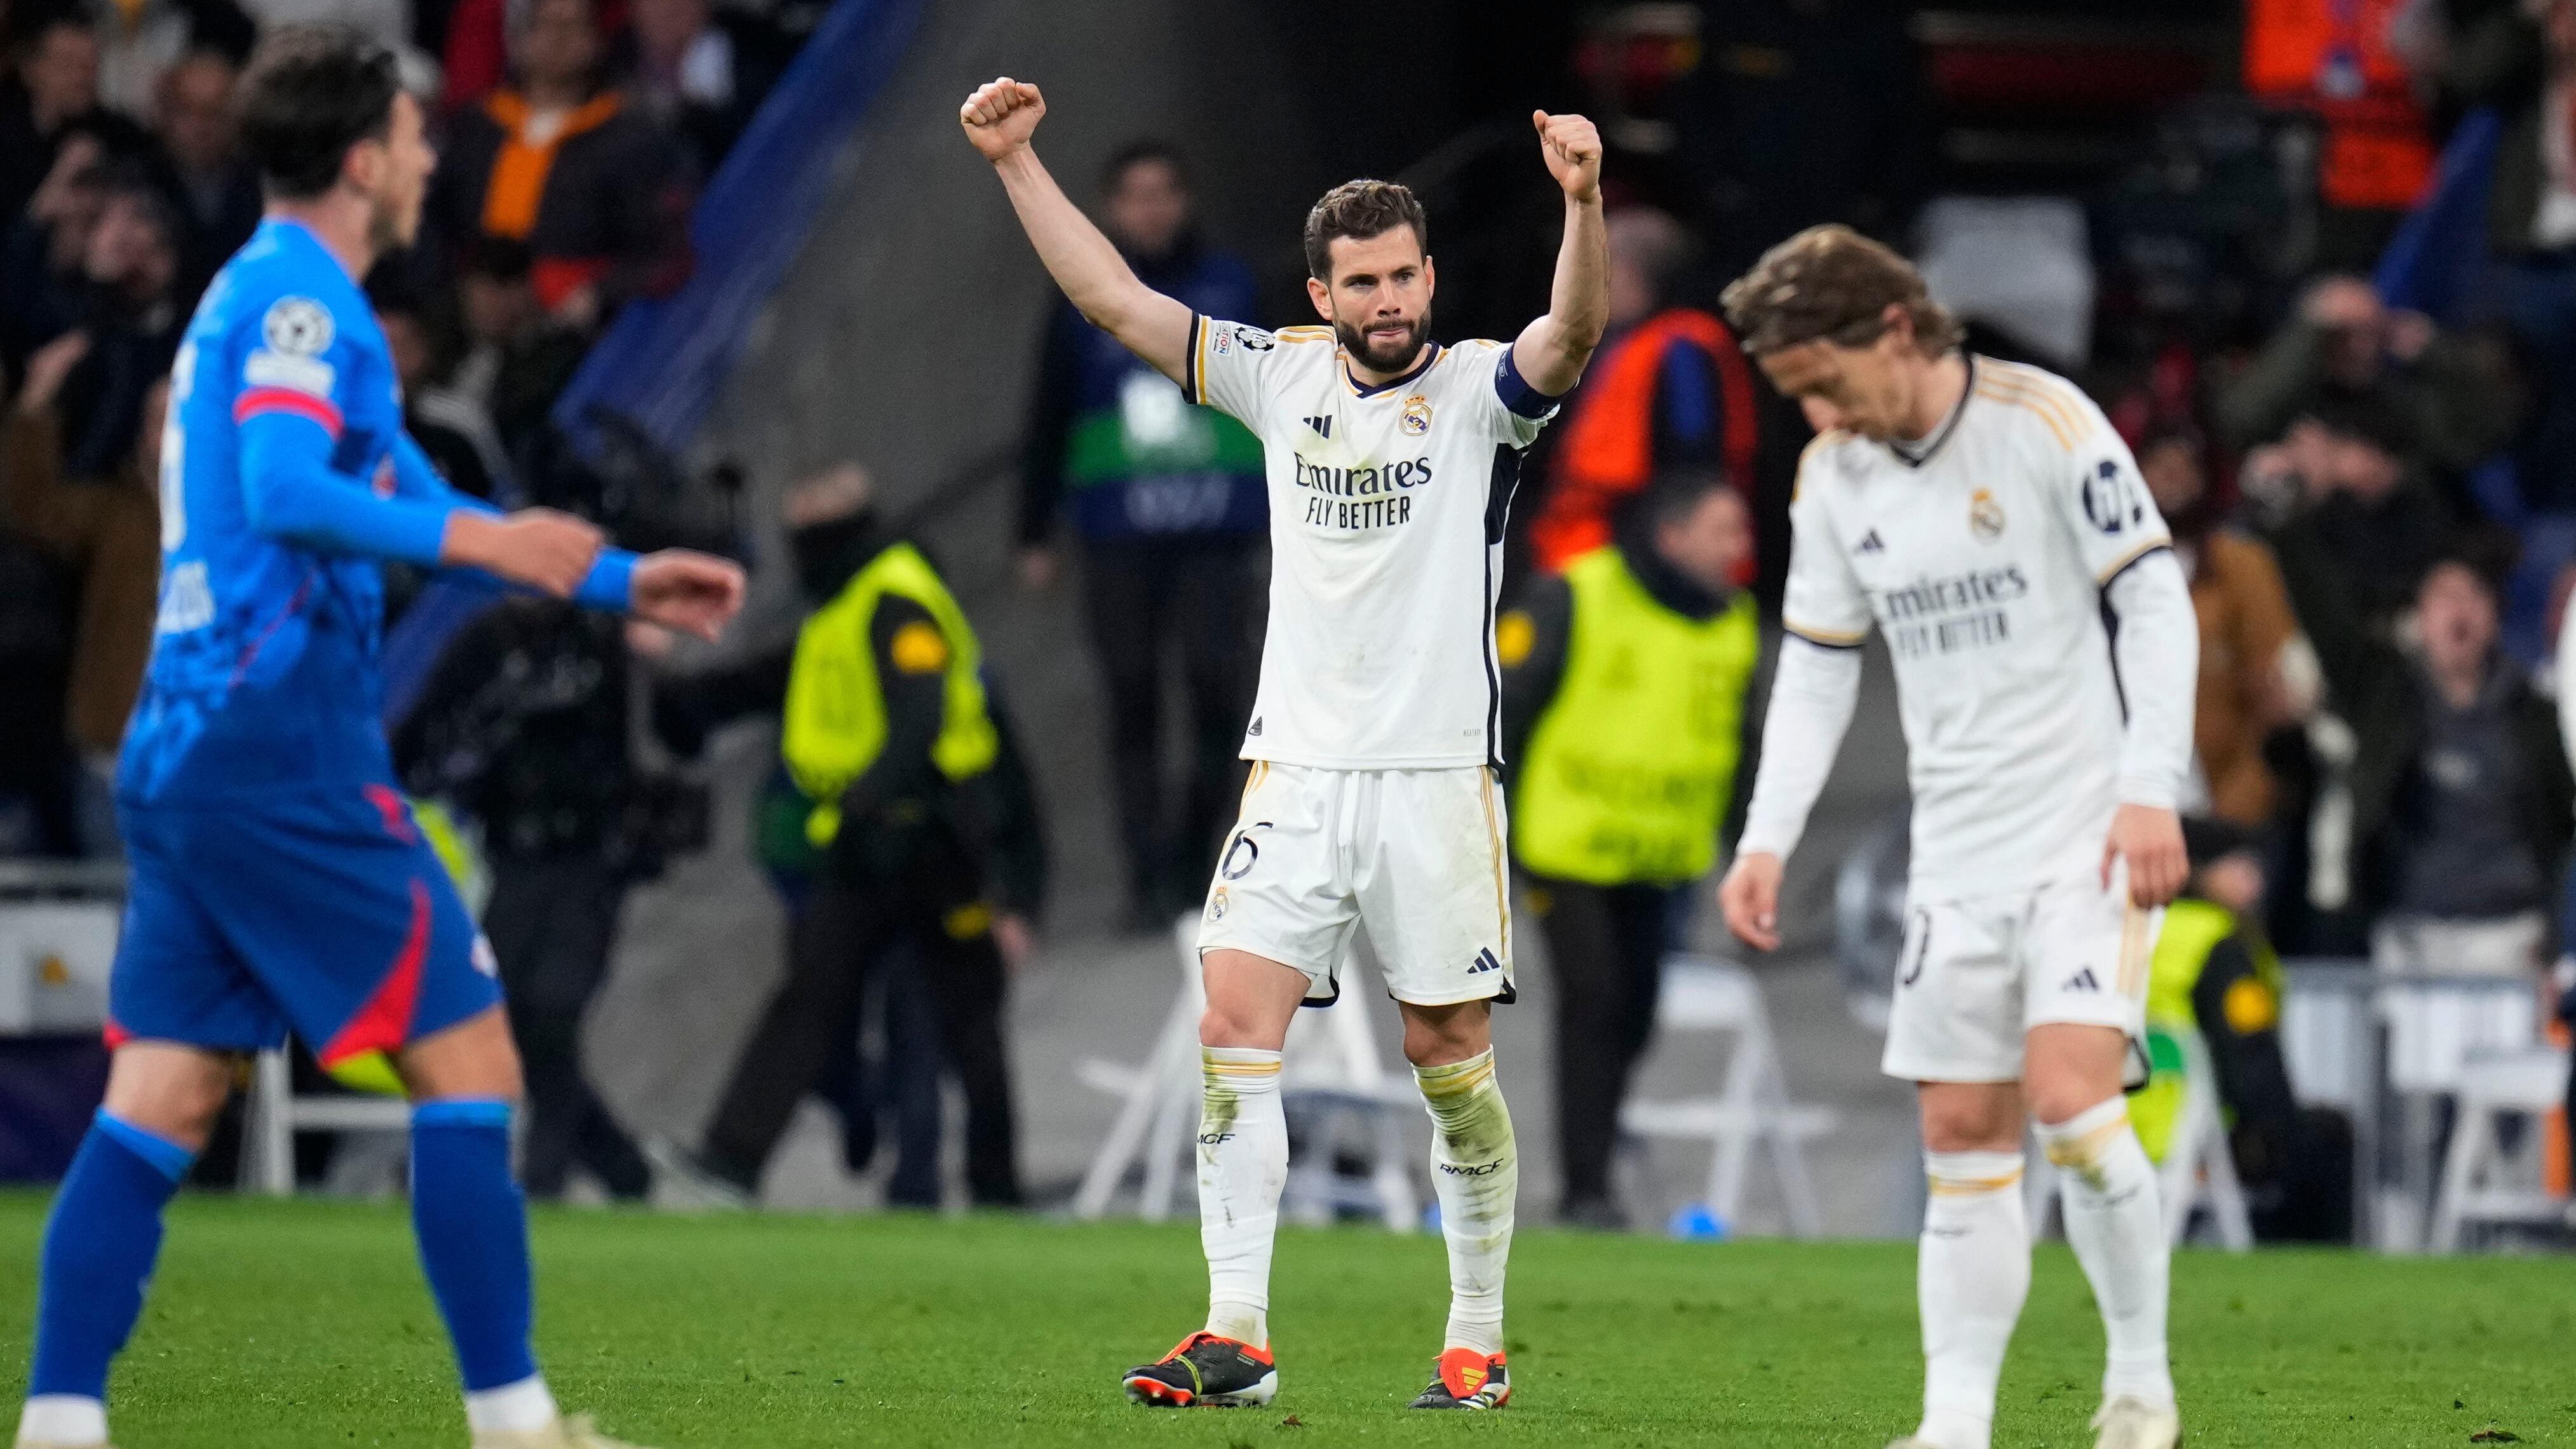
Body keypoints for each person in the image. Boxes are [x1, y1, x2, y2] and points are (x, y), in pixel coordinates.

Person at [10, 27, 743, 1449]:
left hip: (190, 752)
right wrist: (491, 533)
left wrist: (609, 574)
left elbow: (405, 491)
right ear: (363, 158)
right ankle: (518, 1425)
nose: (427, 156)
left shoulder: (274, 298)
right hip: (277, 750)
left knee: (162, 1091)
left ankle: (57, 1423)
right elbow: (290, 489)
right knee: (471, 1064)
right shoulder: (300, 307)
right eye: (412, 137)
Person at [963, 75, 1609, 1412]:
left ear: (1428, 277)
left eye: (1402, 277)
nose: (1386, 301)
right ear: (1319, 295)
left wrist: (1583, 201)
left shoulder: (1484, 396)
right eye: (1359, 283)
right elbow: (1112, 304)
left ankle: (1476, 1337)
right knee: (1229, 1020)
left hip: (1434, 780)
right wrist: (1018, 165)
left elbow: (1571, 333)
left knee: (1445, 1060)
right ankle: (1235, 1333)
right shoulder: (1274, 377)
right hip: (1296, 772)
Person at [1715, 224, 2199, 1449]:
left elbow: (2152, 597)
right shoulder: (1834, 479)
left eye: (1821, 381)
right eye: (1794, 396)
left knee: (2073, 1107)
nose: (1815, 412)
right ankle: (1955, 1426)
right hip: (1957, 861)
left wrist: (2153, 784)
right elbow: (1819, 675)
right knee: (1961, 1142)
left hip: (2086, 836)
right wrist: (1768, 839)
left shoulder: (2042, 422)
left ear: (1892, 330)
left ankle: (2140, 1385)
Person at [653, 464, 1041, 1209]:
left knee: (963, 1014)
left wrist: (867, 801)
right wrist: (677, 696)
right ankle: (731, 1160)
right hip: (870, 846)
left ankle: (996, 1185)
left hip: (930, 838)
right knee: (816, 998)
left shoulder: (895, 597)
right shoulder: (847, 602)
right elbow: (772, 681)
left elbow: (922, 714)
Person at [1497, 466, 1759, 1229]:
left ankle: (1598, 1151)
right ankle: (1585, 1190)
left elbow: (1741, 748)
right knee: (1594, 1001)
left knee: (1636, 1013)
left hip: (1662, 856)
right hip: (1566, 846)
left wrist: (1750, 848)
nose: (1739, 548)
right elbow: (1506, 710)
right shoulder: (1576, 595)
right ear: (1672, 536)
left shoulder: (1733, 621)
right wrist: (1489, 821)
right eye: (1725, 532)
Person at [1015, 140, 1267, 925]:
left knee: (1217, 691)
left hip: (1215, 532)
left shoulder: (1233, 287)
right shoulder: (1079, 293)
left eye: (1164, 192)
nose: (1151, 209)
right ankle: (1145, 878)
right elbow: (1046, 412)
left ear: (1185, 198)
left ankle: (1200, 859)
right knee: (1130, 699)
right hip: (1118, 537)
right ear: (1111, 206)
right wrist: (1033, 529)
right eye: (1135, 195)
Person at [2350, 555, 2572, 974]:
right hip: (2409, 928)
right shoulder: (2384, 703)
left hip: (2511, 933)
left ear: (2494, 616)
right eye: (2445, 597)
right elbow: (2326, 612)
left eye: (2473, 597)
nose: (2460, 611)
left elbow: (2562, 826)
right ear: (2418, 618)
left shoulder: (2535, 715)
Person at [431, 0, 693, 334]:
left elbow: (660, 252)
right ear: (518, 38)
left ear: (597, 39)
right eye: (543, 26)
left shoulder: (631, 140)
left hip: (571, 329)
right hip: (465, 314)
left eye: (572, 28)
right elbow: (436, 226)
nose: (557, 40)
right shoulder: (477, 128)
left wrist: (594, 294)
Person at [1525, 208, 1759, 577]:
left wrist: (1662, 537)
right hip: (1593, 541)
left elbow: (1692, 452)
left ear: (1637, 276)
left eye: (1606, 272)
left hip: (1647, 544)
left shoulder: (1683, 346)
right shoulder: (1619, 342)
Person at [2136, 424, 2317, 828]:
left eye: (2186, 468)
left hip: (2223, 805)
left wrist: (2240, 806)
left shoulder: (2241, 564)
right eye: (2160, 467)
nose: (2173, 479)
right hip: (2127, 803)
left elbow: (2276, 690)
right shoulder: (2103, 569)